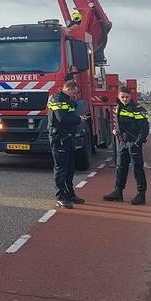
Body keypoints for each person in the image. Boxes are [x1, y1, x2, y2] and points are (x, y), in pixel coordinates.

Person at [104, 86, 149, 205]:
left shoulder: (137, 109)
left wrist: (138, 142)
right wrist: (116, 132)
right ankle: (118, 192)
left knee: (137, 169)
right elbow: (119, 123)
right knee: (120, 167)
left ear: (131, 97)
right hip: (122, 142)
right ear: (119, 97)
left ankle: (141, 195)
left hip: (133, 142)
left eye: (127, 97)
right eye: (122, 97)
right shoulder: (118, 107)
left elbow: (144, 128)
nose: (124, 99)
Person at [48, 77, 89, 208]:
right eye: (74, 92)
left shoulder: (68, 100)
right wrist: (79, 119)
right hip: (59, 138)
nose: (75, 95)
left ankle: (70, 194)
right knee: (61, 168)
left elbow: (69, 113)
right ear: (67, 89)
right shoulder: (57, 100)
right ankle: (60, 197)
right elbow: (62, 118)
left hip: (68, 137)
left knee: (70, 168)